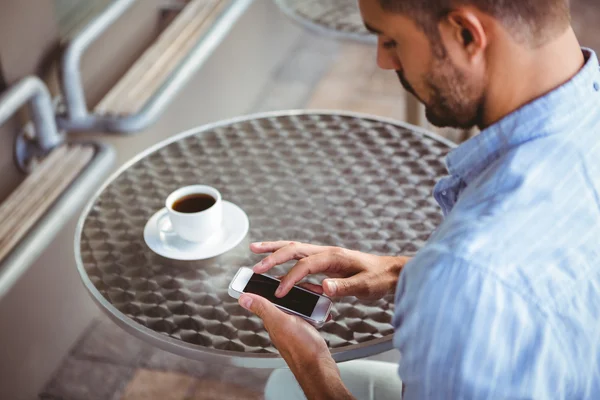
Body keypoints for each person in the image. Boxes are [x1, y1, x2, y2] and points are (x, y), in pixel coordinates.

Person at [238, 0, 600, 398]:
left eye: (391, 39)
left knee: (285, 387)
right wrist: (399, 271)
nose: (383, 61)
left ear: (466, 34)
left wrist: (311, 365)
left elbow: (481, 281)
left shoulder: (467, 279)